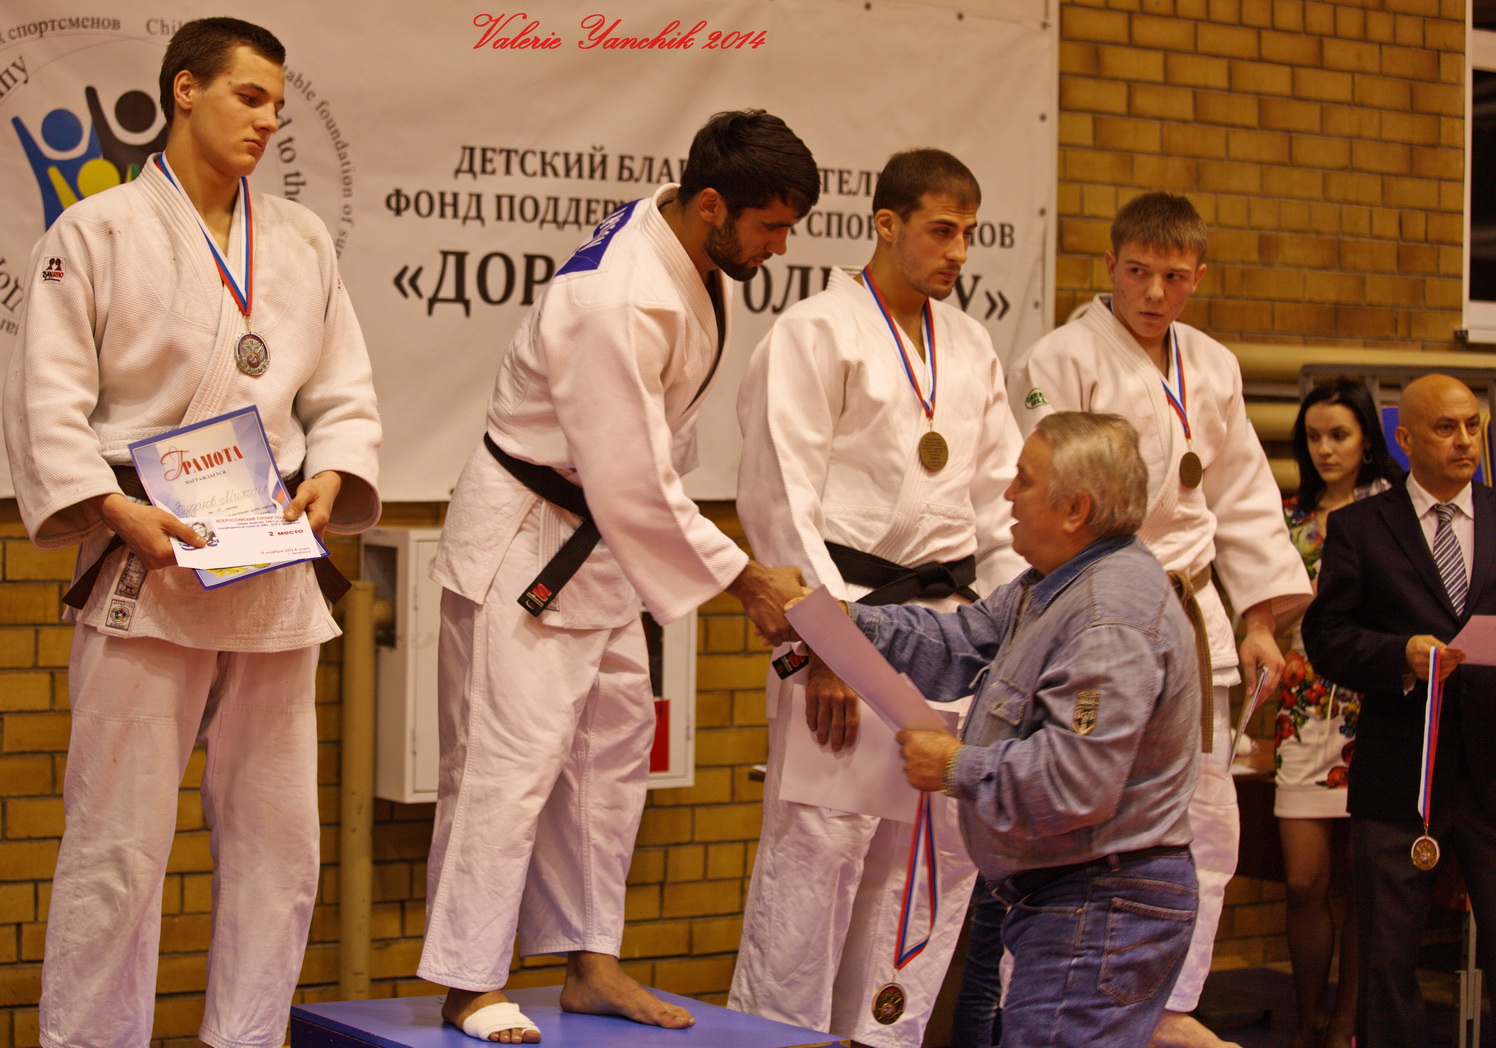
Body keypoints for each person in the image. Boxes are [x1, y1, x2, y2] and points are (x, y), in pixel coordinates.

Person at [3, 18, 382, 1048]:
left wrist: (333, 471)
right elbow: (47, 401)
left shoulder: (300, 239)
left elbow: (343, 392)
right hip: (151, 552)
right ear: (183, 88)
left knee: (279, 840)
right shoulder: (95, 232)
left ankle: (245, 1038)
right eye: (248, 96)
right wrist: (110, 506)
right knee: (117, 843)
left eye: (278, 105)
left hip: (269, 554)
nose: (267, 120)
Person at [417, 110, 820, 1045]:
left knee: (610, 758)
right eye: (769, 226)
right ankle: (469, 982)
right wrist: (747, 580)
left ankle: (591, 963)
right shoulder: (620, 299)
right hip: (530, 542)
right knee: (506, 766)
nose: (779, 247)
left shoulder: (680, 244)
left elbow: (641, 463)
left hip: (598, 544)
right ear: (711, 204)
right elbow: (628, 472)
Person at [730, 148, 1026, 1048]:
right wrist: (824, 647)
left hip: (953, 631)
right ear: (887, 224)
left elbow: (1001, 504)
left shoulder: (970, 345)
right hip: (848, 615)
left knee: (929, 858)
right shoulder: (815, 332)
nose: (958, 252)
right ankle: (777, 1040)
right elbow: (779, 499)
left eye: (969, 234)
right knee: (819, 851)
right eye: (942, 230)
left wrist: (1010, 633)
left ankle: (879, 1038)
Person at [1006, 190, 1311, 1048]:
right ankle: (1058, 1008)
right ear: (1109, 265)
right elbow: (1048, 496)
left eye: (1173, 277)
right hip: (1102, 612)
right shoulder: (1060, 359)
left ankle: (1169, 1008)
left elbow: (1244, 496)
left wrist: (1260, 620)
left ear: (1198, 277)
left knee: (1208, 825)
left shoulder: (1212, 365)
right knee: (1082, 818)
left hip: (1196, 615)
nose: (1153, 292)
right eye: (1137, 272)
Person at [822, 412, 1201, 1047]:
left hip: (1100, 900)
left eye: (1024, 480)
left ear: (1075, 509)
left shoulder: (1109, 619)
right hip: (1077, 897)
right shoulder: (1052, 584)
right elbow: (957, 643)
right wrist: (839, 618)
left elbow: (1075, 782)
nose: (1007, 495)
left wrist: (954, 766)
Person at [1302, 374, 1496, 1048]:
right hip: (1400, 772)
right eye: (1446, 428)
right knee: (1387, 965)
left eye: (1473, 426)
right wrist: (1400, 655)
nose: (1465, 440)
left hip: (1492, 772)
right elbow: (1327, 639)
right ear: (1405, 439)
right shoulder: (1360, 527)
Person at [1275, 378, 1402, 1048]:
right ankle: (1305, 1020)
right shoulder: (1286, 517)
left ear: (1367, 441)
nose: (1325, 449)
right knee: (1303, 880)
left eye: (1340, 435)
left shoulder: (1393, 515)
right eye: (1314, 437)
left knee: (1364, 882)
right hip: (1302, 706)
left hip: (1372, 702)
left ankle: (1346, 1024)